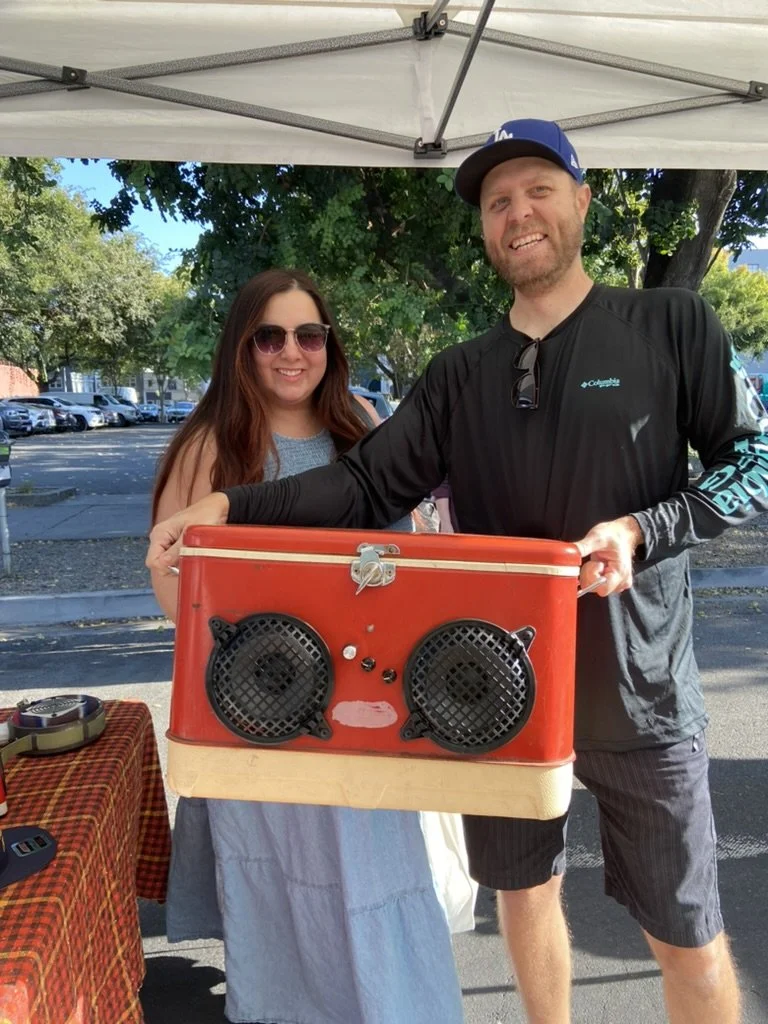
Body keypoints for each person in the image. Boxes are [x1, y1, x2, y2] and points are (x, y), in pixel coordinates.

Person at [147, 122, 768, 1024]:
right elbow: (362, 485)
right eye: (496, 202)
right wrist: (229, 510)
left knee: (686, 932)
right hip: (481, 691)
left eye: (537, 191)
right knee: (524, 897)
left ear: (582, 202)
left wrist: (645, 527)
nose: (518, 214)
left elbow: (749, 462)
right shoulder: (455, 374)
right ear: (484, 229)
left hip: (639, 694)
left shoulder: (670, 325)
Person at [150, 268, 465, 1024]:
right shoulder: (212, 444)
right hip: (266, 719)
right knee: (288, 902)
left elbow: (403, 552)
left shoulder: (361, 421)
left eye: (309, 334)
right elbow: (174, 589)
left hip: (371, 712)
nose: (292, 352)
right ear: (242, 347)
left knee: (381, 885)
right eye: (270, 336)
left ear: (330, 344)